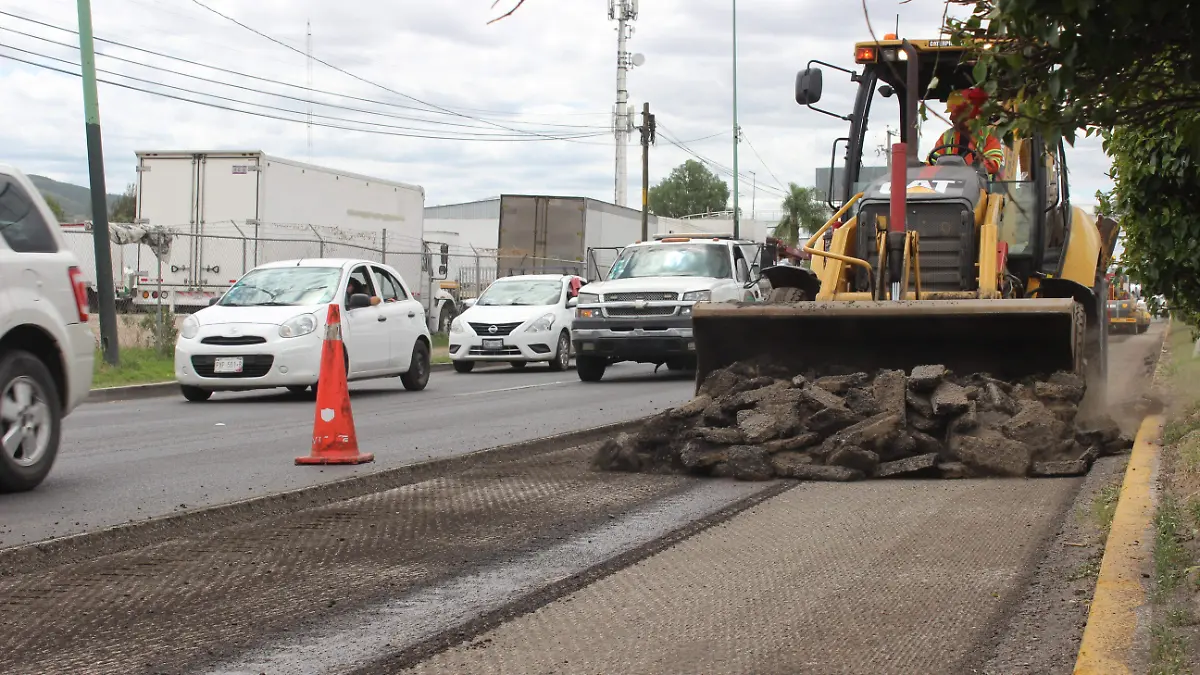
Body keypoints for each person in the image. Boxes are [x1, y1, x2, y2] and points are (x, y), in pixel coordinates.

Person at [928, 87, 1004, 179]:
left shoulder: (988, 136)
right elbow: (931, 162)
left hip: (979, 190)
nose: (951, 118)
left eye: (955, 113)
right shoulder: (946, 136)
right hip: (947, 190)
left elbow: (994, 164)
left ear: (969, 113)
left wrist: (978, 165)